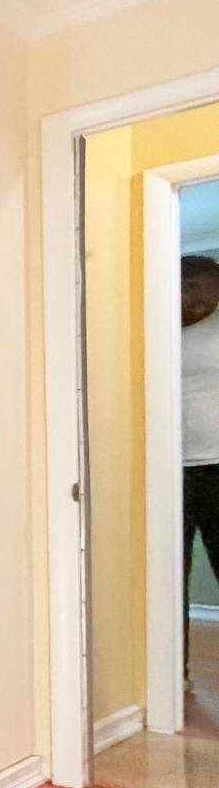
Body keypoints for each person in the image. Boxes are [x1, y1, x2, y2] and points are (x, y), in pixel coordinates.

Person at [182, 254, 219, 677]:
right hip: (166, 471)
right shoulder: (155, 326)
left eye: (198, 287)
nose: (189, 297)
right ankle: (176, 671)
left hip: (215, 466)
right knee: (173, 574)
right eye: (183, 287)